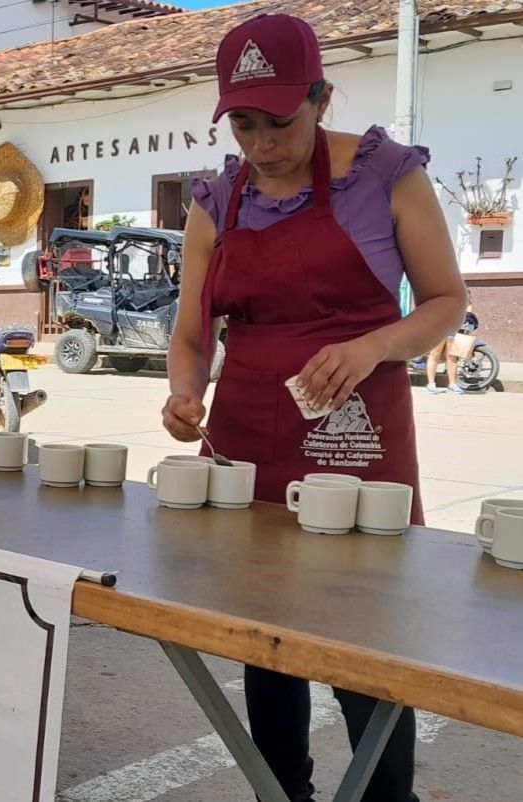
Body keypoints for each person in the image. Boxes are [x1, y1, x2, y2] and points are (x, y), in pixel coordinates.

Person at [161, 15, 466, 802]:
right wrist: (185, 391)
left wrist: (371, 347)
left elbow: (444, 302)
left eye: (281, 122)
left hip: (357, 440)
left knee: (365, 647)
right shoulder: (215, 202)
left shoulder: (386, 175)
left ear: (322, 97)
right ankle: (282, 792)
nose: (261, 144)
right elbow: (192, 333)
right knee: (266, 641)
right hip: (245, 439)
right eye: (244, 123)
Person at [424, 299, 478, 394]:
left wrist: (467, 316)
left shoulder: (460, 291)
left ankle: (452, 384)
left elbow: (468, 308)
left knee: (452, 357)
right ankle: (431, 384)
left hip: (453, 328)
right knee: (434, 355)